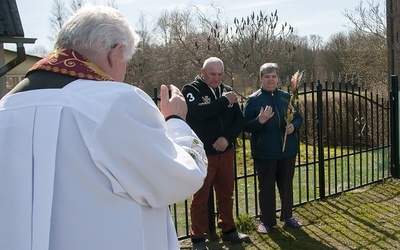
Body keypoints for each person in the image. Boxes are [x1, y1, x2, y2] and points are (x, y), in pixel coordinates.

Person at [0, 5, 208, 250]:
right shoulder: (115, 102)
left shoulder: (6, 106)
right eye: (126, 62)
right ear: (116, 54)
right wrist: (175, 120)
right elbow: (179, 178)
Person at [181, 57, 249, 250]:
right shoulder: (191, 90)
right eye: (213, 74)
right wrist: (223, 101)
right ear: (203, 73)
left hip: (226, 152)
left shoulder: (226, 90)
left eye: (220, 74)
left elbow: (239, 120)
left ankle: (229, 230)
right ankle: (199, 238)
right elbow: (198, 113)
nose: (217, 78)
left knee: (226, 193)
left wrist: (226, 138)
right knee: (200, 198)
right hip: (203, 154)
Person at [243, 62, 303, 234]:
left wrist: (294, 126)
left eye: (273, 76)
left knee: (286, 185)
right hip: (265, 152)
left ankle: (288, 216)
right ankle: (266, 221)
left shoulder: (287, 97)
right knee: (266, 187)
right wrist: (259, 121)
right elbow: (245, 126)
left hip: (287, 151)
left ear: (278, 78)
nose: (270, 80)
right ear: (261, 78)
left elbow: (298, 117)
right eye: (267, 77)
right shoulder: (253, 100)